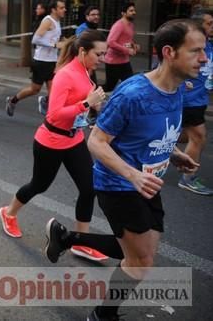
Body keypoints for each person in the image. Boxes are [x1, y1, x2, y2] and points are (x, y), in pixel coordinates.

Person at [43, 19, 204, 321]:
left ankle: (67, 239)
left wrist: (175, 152)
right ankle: (103, 315)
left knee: (137, 250)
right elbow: (97, 141)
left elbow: (153, 132)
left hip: (146, 182)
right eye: (196, 51)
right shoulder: (133, 94)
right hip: (119, 184)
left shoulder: (178, 89)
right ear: (169, 52)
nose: (205, 58)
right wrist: (132, 174)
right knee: (141, 260)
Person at [0, 30, 109, 261]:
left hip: (74, 138)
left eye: (104, 53)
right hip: (51, 140)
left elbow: (83, 107)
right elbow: (55, 114)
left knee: (89, 189)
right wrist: (86, 103)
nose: (103, 58)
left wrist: (94, 108)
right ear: (82, 51)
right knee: (39, 185)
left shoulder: (88, 72)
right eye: (99, 54)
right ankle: (8, 213)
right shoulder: (65, 75)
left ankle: (81, 241)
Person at [6, 0, 66, 117]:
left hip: (52, 61)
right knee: (34, 89)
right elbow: (35, 39)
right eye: (61, 8)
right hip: (41, 62)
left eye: (64, 7)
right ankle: (13, 100)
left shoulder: (57, 21)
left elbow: (54, 39)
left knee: (54, 91)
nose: (64, 9)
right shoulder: (48, 21)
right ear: (54, 10)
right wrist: (54, 45)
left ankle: (51, 117)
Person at [178, 10, 213, 195]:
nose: (212, 27)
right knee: (198, 137)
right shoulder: (187, 46)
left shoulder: (209, 46)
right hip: (188, 99)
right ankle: (188, 178)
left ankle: (154, 143)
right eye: (209, 23)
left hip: (200, 99)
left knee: (183, 136)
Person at [104, 2, 139, 92]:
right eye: (131, 11)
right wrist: (127, 50)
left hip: (124, 61)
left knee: (130, 85)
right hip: (113, 62)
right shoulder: (119, 25)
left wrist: (134, 46)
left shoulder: (131, 25)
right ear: (123, 13)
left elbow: (127, 39)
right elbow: (111, 42)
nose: (134, 12)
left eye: (134, 10)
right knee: (109, 87)